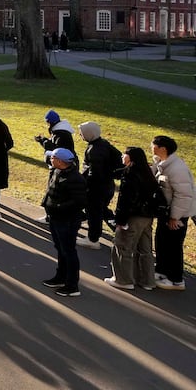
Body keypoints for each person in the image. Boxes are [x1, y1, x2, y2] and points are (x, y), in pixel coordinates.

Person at [106, 147, 159, 290]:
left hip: (132, 216)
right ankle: (147, 281)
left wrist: (120, 221)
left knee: (122, 246)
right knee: (145, 249)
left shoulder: (130, 175)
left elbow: (126, 200)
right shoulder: (147, 173)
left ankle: (123, 280)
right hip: (147, 217)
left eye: (125, 154)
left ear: (131, 158)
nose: (123, 156)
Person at [41, 147, 87, 298]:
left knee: (68, 251)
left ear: (60, 161)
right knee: (60, 249)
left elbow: (78, 201)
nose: (50, 159)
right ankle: (60, 277)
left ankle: (72, 285)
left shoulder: (75, 179)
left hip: (67, 220)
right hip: (56, 218)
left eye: (53, 158)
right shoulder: (56, 171)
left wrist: (58, 207)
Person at [151, 135, 194, 290]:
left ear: (163, 149)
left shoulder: (177, 169)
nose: (151, 148)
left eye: (153, 145)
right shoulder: (162, 163)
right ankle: (161, 271)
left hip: (177, 215)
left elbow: (183, 195)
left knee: (173, 245)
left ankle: (176, 280)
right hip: (166, 213)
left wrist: (175, 217)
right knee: (162, 241)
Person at [77, 121, 122, 250]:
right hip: (107, 185)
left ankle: (93, 239)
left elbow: (94, 172)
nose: (80, 135)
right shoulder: (104, 144)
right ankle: (120, 231)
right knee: (102, 210)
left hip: (97, 188)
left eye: (82, 133)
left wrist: (86, 185)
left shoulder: (94, 150)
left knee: (94, 213)